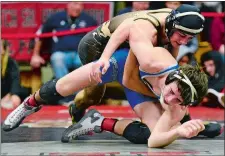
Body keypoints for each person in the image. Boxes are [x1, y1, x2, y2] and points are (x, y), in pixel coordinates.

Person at [3, 45, 208, 148]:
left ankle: (99, 121)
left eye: (179, 101)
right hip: (119, 66)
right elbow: (127, 29)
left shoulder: (180, 100)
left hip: (137, 89)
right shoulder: (154, 60)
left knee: (145, 135)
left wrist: (180, 129)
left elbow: (154, 141)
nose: (171, 100)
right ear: (172, 76)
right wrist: (103, 58)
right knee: (61, 87)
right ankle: (29, 104)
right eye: (172, 92)